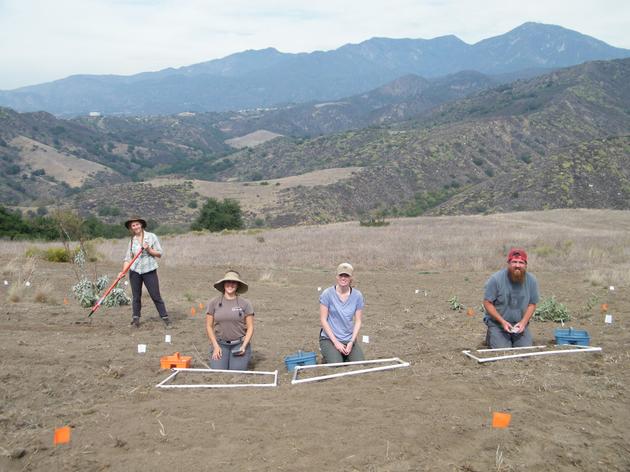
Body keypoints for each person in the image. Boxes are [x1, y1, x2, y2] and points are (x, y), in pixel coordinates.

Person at [119, 216, 171, 328]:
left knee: (155, 295)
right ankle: (135, 319)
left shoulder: (151, 237)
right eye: (133, 225)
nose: (135, 227)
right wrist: (123, 272)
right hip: (135, 272)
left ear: (141, 224)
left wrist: (148, 249)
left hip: (149, 270)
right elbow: (128, 258)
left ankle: (165, 318)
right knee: (136, 297)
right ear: (131, 228)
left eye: (137, 224)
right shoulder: (132, 241)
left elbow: (159, 254)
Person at [483, 248, 539, 348]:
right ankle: (492, 335)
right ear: (508, 263)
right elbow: (487, 302)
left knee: (525, 351)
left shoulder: (532, 280)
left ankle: (516, 335)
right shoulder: (496, 279)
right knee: (502, 351)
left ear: (525, 265)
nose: (517, 265)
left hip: (519, 324)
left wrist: (523, 323)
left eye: (521, 262)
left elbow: (532, 304)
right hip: (498, 324)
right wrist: (502, 322)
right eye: (514, 262)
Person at [205, 270, 254, 370]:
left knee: (236, 372)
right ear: (223, 284)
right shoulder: (213, 303)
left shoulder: (245, 303)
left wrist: (244, 346)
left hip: (239, 345)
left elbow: (250, 327)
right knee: (218, 372)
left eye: (234, 282)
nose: (230, 285)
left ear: (238, 285)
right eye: (228, 282)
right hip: (220, 344)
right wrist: (215, 346)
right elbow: (209, 326)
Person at [319, 262, 365, 363]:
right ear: (337, 276)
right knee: (336, 364)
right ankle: (330, 354)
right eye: (341, 275)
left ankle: (341, 354)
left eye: (346, 275)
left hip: (348, 338)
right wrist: (336, 343)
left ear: (351, 278)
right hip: (329, 339)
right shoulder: (327, 294)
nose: (343, 278)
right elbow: (323, 319)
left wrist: (352, 341)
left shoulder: (357, 296)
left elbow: (358, 321)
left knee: (360, 363)